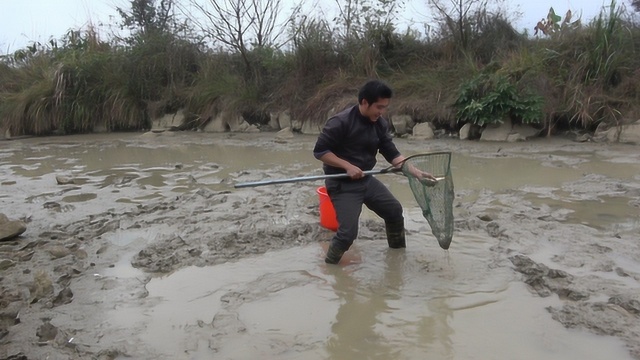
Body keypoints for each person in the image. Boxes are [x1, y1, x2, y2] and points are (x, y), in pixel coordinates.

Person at [313, 79, 436, 264]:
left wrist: (415, 172)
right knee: (347, 234)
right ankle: (330, 265)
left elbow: (392, 153)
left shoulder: (380, 124)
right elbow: (320, 151)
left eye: (385, 107)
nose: (382, 112)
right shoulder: (340, 122)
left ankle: (397, 256)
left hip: (366, 180)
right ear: (364, 102)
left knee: (394, 211)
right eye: (379, 107)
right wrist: (346, 165)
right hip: (343, 184)